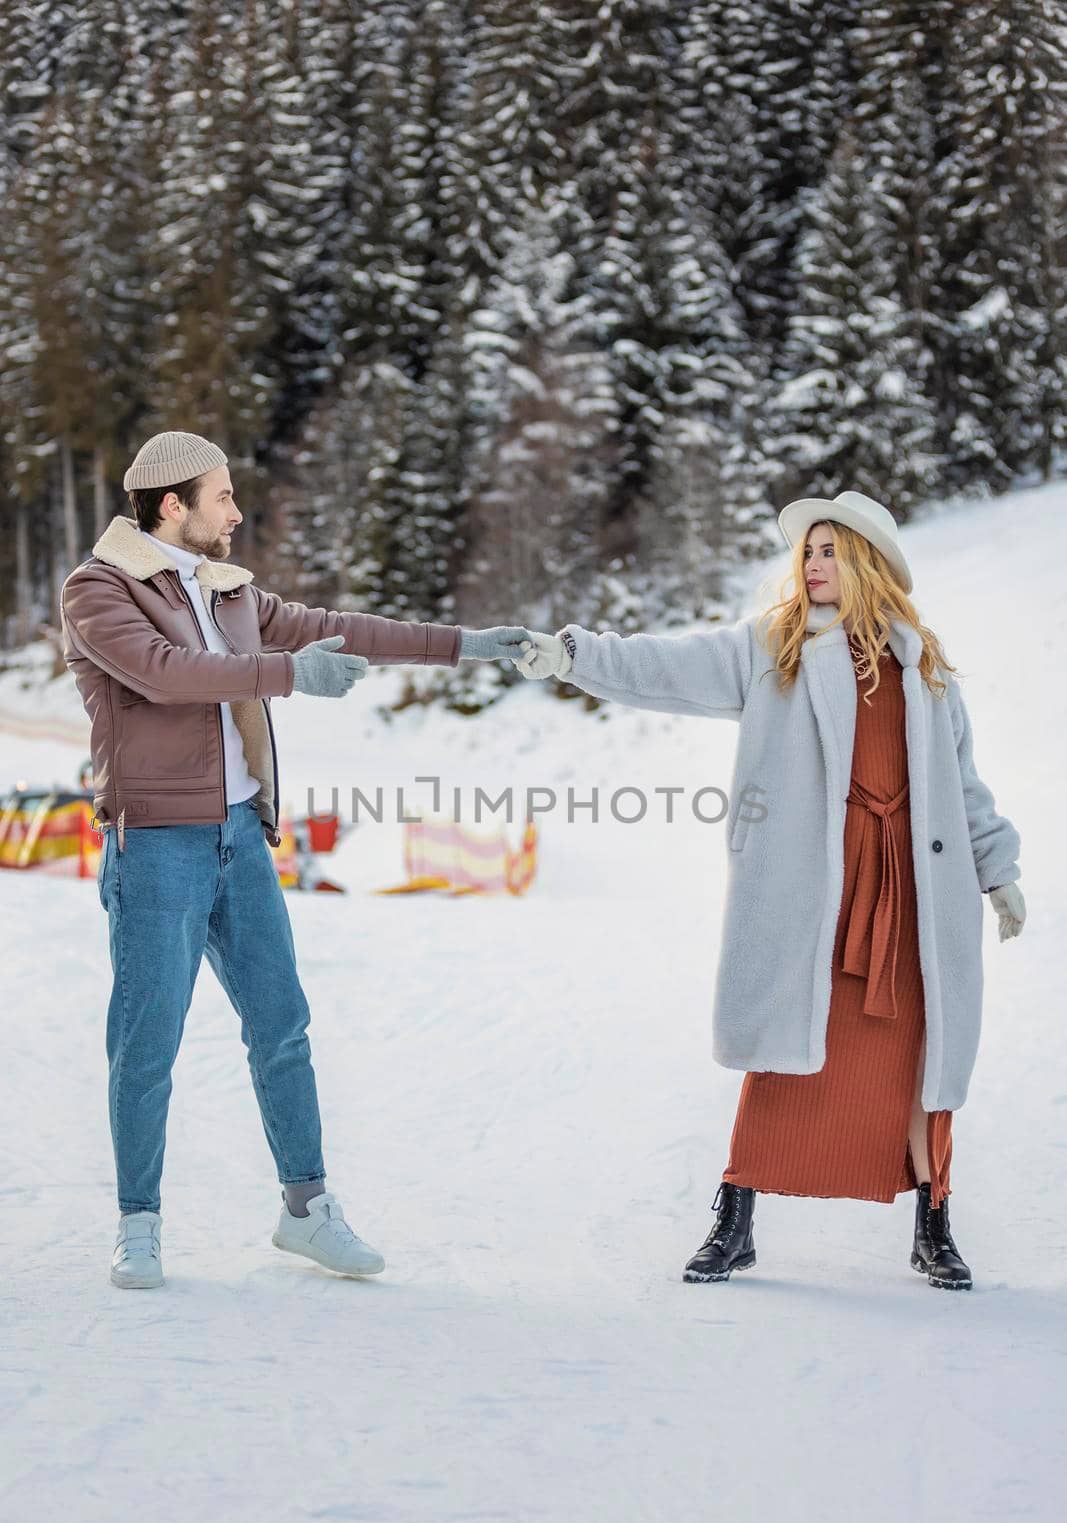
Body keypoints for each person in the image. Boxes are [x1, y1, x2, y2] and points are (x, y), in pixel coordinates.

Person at [515, 490, 1025, 1291]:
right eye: (808, 552)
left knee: (917, 1052)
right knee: (785, 1047)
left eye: (829, 551)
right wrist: (574, 655)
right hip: (813, 882)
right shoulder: (774, 646)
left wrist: (998, 871)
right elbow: (665, 666)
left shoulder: (922, 667)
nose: (813, 565)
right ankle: (735, 1218)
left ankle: (934, 1225)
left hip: (915, 886)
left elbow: (962, 787)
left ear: (866, 564)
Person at [61, 430, 530, 1289]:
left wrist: (465, 643)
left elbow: (341, 629)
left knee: (282, 1028)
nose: (236, 512)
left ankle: (306, 1209)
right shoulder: (98, 590)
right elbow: (165, 673)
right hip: (156, 843)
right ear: (173, 504)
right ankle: (138, 1221)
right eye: (224, 496)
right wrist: (285, 675)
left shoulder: (230, 590)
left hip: (240, 838)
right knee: (146, 1043)